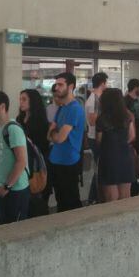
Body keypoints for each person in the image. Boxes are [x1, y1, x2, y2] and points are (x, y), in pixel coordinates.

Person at [0, 91, 29, 225]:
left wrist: (6, 186)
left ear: (2, 107)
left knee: (13, 231)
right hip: (2, 188)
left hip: (15, 190)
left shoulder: (13, 129)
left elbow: (21, 161)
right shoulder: (0, 128)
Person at [47, 72, 86, 212]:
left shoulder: (75, 109)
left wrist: (53, 132)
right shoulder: (62, 108)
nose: (57, 87)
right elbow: (50, 136)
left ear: (71, 86)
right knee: (61, 200)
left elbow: (59, 138)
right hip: (56, 160)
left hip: (68, 162)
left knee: (70, 201)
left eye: (60, 84)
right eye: (56, 84)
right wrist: (53, 133)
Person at [95, 88, 135, 201]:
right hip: (125, 156)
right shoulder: (127, 117)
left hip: (108, 157)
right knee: (126, 197)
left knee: (111, 198)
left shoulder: (101, 119)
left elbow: (99, 140)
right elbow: (131, 136)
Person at [18, 89, 52, 218]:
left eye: (24, 99)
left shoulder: (40, 121)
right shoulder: (20, 118)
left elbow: (42, 144)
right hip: (24, 161)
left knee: (38, 194)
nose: (21, 102)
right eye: (20, 99)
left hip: (37, 162)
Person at [85, 72, 108, 204]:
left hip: (97, 137)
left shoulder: (97, 98)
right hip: (95, 138)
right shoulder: (93, 99)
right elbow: (93, 121)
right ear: (103, 83)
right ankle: (93, 197)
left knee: (101, 167)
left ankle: (96, 196)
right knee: (99, 168)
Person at [125, 78, 139, 165]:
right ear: (135, 88)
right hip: (132, 136)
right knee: (134, 160)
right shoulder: (125, 101)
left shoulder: (136, 100)